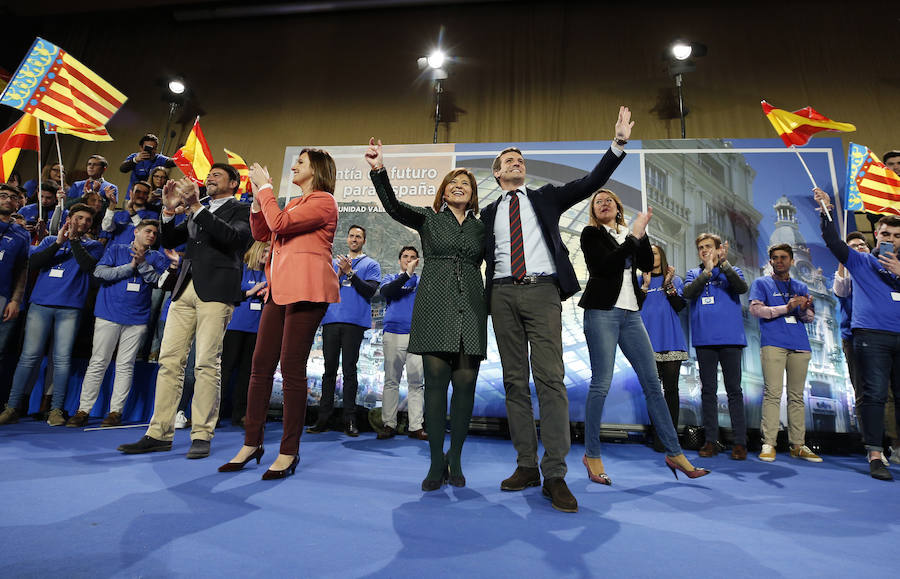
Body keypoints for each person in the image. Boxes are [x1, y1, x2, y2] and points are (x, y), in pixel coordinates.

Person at [480, 106, 631, 513]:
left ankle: (556, 474)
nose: (517, 162)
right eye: (508, 160)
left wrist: (617, 144)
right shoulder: (489, 212)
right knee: (514, 381)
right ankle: (526, 465)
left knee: (551, 380)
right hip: (501, 295)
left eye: (520, 160)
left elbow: (590, 183)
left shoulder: (545, 197)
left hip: (542, 292)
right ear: (497, 174)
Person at [365, 138, 486, 491]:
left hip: (472, 307)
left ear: (473, 194)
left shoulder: (482, 226)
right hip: (435, 305)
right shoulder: (429, 219)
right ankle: (436, 461)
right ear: (443, 193)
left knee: (465, 385)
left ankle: (457, 457)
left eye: (466, 183)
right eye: (453, 183)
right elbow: (393, 207)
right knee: (435, 387)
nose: (459, 186)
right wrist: (378, 170)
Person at [117, 164, 251, 458]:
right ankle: (158, 432)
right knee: (169, 361)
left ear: (233, 183)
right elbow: (170, 240)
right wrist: (166, 211)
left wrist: (194, 207)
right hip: (184, 289)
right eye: (209, 175)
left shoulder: (242, 210)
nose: (210, 178)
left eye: (217, 175)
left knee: (205, 363)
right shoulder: (196, 209)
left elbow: (233, 239)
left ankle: (202, 433)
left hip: (216, 292)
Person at [220, 151, 339, 479]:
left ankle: (289, 450)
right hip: (279, 290)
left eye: (301, 161)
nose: (295, 165)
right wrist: (259, 202)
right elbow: (263, 232)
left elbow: (280, 224)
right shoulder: (294, 203)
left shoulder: (324, 201)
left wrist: (266, 189)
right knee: (259, 367)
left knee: (291, 369)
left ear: (316, 168)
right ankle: (251, 442)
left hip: (307, 290)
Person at [579, 189, 709, 486]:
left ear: (618, 207)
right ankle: (592, 454)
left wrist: (641, 233)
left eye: (608, 200)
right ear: (593, 210)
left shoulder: (629, 231)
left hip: (632, 314)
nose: (603, 203)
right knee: (601, 383)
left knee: (653, 383)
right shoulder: (590, 234)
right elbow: (604, 266)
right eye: (598, 201)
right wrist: (632, 238)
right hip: (602, 312)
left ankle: (674, 453)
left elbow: (644, 262)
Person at [815, 188, 900, 480]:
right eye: (886, 234)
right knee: (874, 395)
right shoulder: (862, 261)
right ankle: (875, 454)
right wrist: (826, 210)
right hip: (871, 337)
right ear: (877, 234)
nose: (891, 240)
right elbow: (833, 242)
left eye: (897, 236)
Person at [65, 220, 177, 427]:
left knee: (125, 366)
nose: (151, 235)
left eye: (154, 232)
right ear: (136, 232)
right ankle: (83, 410)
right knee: (98, 362)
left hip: (137, 318)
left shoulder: (157, 257)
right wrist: (130, 267)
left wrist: (142, 264)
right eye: (147, 231)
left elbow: (159, 283)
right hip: (108, 313)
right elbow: (99, 273)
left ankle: (115, 412)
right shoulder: (116, 249)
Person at [0, 205, 104, 426]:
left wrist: (74, 240)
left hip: (70, 308)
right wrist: (58, 242)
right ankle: (11, 407)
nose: (84, 223)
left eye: (87, 220)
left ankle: (56, 409)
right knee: (29, 357)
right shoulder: (49, 241)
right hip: (41, 305)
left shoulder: (93, 246)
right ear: (69, 218)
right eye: (79, 218)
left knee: (62, 360)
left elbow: (88, 267)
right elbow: (34, 264)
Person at [306, 225, 381, 436]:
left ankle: (350, 420)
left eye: (359, 236)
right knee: (328, 371)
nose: (354, 239)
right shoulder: (333, 263)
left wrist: (351, 274)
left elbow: (370, 291)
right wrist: (338, 273)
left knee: (349, 370)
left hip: (354, 323)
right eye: (351, 236)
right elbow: (322, 287)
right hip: (331, 320)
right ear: (347, 239)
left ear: (364, 241)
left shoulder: (371, 264)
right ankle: (323, 419)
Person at [749, 243, 821, 463]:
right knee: (772, 393)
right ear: (770, 261)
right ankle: (769, 443)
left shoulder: (800, 286)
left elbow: (808, 319)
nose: (779, 261)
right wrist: (786, 308)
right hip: (774, 343)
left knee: (797, 397)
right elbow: (755, 310)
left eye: (783, 257)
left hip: (800, 344)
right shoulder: (761, 283)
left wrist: (807, 307)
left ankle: (798, 445)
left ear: (790, 261)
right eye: (775, 258)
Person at [682, 233, 749, 459]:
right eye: (701, 247)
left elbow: (741, 288)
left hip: (731, 340)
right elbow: (688, 293)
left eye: (708, 246)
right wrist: (707, 272)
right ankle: (711, 440)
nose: (704, 250)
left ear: (719, 249)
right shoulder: (694, 273)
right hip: (704, 340)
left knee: (734, 391)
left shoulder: (733, 270)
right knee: (708, 392)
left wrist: (724, 264)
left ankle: (740, 442)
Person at [639, 244, 688, 452]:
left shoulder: (675, 279)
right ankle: (657, 435)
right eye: (649, 253)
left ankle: (670, 437)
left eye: (656, 252)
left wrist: (668, 285)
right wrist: (645, 285)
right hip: (646, 341)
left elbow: (680, 306)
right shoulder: (640, 280)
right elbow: (634, 306)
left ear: (662, 256)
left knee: (671, 390)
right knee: (652, 392)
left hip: (670, 340)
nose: (652, 256)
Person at [378, 245, 426, 440]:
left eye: (413, 257)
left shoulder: (422, 281)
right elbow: (389, 293)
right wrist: (406, 275)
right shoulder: (390, 278)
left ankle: (415, 427)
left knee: (416, 383)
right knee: (391, 381)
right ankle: (389, 424)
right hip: (393, 334)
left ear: (417, 261)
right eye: (405, 256)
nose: (408, 259)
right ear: (400, 261)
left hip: (416, 335)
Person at [219, 240, 269, 427]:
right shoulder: (240, 269)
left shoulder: (269, 273)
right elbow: (229, 294)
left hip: (256, 329)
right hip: (234, 327)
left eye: (269, 252)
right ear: (256, 251)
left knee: (247, 373)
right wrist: (251, 292)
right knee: (225, 370)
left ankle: (241, 414)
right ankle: (214, 413)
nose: (267, 255)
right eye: (264, 251)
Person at [0, 184, 29, 350]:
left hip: (3, 298)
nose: (8, 200)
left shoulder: (22, 234)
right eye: (3, 196)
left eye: (13, 198)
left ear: (18, 204)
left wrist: (16, 300)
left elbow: (22, 270)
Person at [101, 180, 161, 247]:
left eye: (145, 193)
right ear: (131, 193)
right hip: (112, 254)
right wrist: (112, 204)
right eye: (138, 192)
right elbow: (106, 227)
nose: (141, 195)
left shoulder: (152, 216)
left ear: (147, 196)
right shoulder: (118, 214)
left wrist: (131, 209)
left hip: (134, 255)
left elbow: (143, 232)